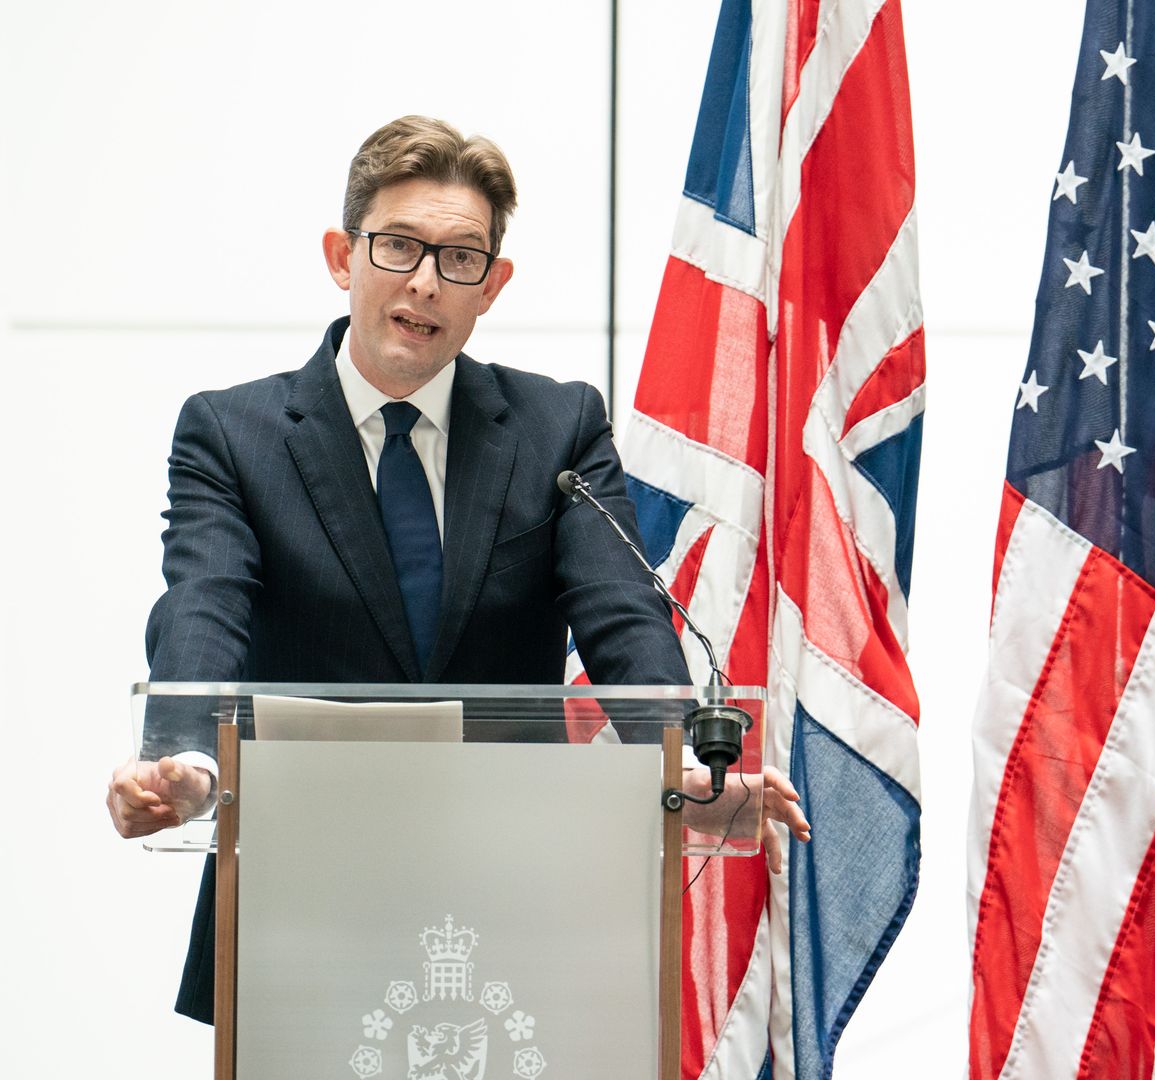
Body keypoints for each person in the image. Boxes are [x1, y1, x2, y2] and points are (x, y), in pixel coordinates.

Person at [104, 116, 809, 1022]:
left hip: (512, 900)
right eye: (398, 246)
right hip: (300, 900)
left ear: (494, 285)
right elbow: (203, 605)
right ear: (341, 255)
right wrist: (184, 757)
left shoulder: (556, 429)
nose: (426, 282)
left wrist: (678, 773)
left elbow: (624, 618)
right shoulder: (231, 435)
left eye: (460, 258)